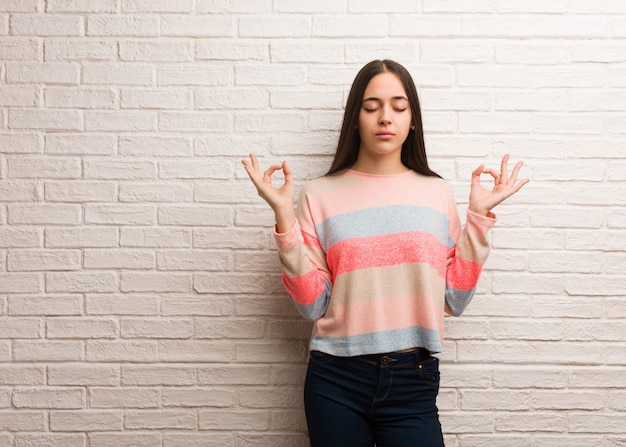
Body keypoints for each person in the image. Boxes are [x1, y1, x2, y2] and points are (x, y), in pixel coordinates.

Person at [242, 59, 528, 447]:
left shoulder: (435, 193)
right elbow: (312, 306)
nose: (385, 117)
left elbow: (454, 300)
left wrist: (477, 218)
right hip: (335, 379)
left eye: (398, 105)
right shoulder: (318, 194)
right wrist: (284, 221)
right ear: (355, 118)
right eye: (371, 106)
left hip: (415, 378)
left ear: (413, 119)